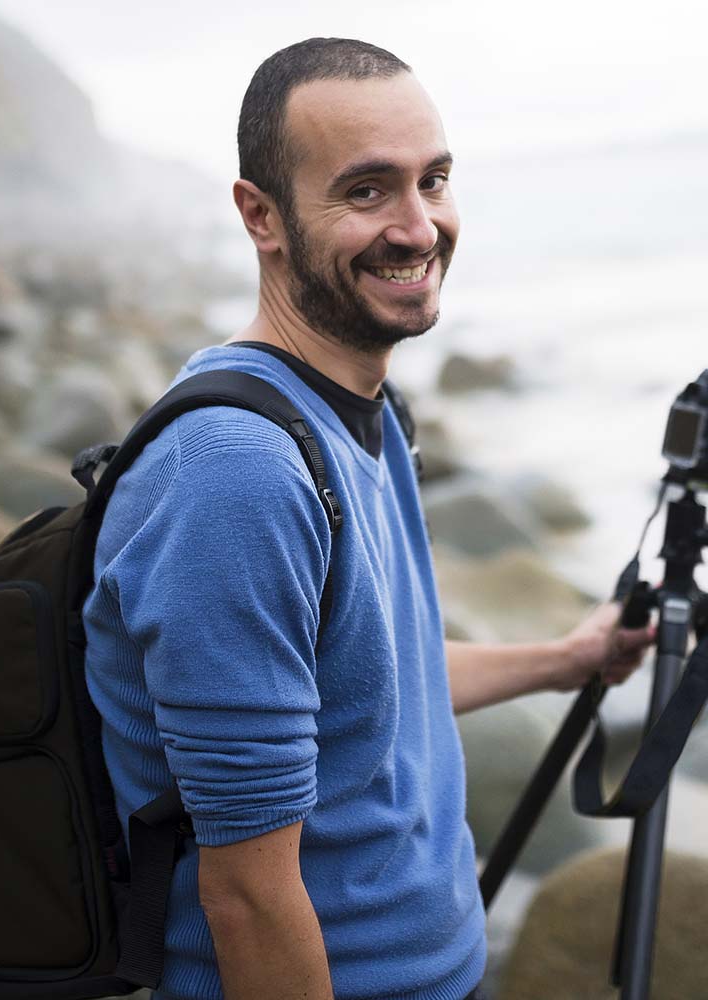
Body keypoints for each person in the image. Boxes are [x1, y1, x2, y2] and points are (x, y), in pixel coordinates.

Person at [83, 37, 656, 1000]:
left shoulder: (360, 412)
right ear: (260, 215)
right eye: (366, 191)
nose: (419, 226)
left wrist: (567, 659)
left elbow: (371, 682)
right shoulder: (239, 474)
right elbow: (249, 898)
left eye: (433, 180)